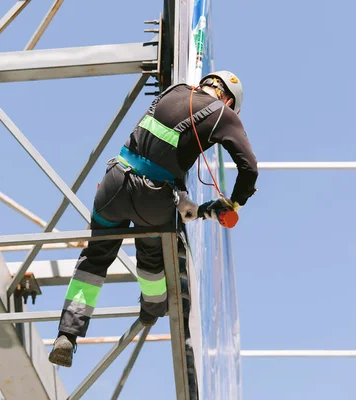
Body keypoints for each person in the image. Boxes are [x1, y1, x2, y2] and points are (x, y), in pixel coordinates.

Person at [48, 70, 258, 367]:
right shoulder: (225, 114)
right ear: (227, 99)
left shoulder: (174, 90)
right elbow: (249, 169)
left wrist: (180, 194)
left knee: (94, 259)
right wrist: (235, 202)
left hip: (114, 182)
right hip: (153, 199)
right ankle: (151, 308)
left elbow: (154, 145)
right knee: (150, 254)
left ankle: (66, 336)